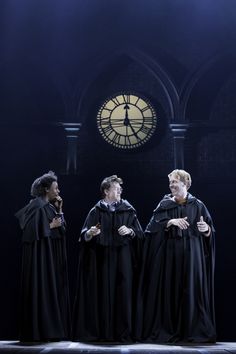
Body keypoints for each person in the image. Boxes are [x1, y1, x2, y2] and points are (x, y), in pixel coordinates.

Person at [136, 169, 216, 343]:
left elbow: (210, 231)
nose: (171, 185)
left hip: (192, 257)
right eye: (170, 182)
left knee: (191, 291)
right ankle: (169, 329)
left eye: (175, 182)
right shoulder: (164, 204)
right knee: (170, 291)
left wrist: (207, 230)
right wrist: (169, 222)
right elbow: (150, 230)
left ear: (185, 183)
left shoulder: (198, 205)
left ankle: (191, 331)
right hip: (169, 257)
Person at [71, 175, 143, 342]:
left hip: (123, 259)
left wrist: (130, 231)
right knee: (102, 293)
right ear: (106, 191)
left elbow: (140, 234)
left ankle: (123, 333)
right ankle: (102, 333)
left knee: (123, 294)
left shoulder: (128, 209)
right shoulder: (96, 211)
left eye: (120, 188)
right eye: (116, 188)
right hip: (101, 259)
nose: (120, 190)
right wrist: (90, 233)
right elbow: (83, 235)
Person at [15, 171, 70, 342]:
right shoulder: (36, 206)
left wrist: (59, 211)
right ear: (46, 189)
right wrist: (49, 226)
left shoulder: (50, 206)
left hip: (50, 257)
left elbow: (61, 228)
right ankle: (40, 330)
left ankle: (50, 330)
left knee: (51, 290)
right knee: (41, 290)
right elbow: (30, 232)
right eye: (56, 188)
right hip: (39, 260)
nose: (58, 191)